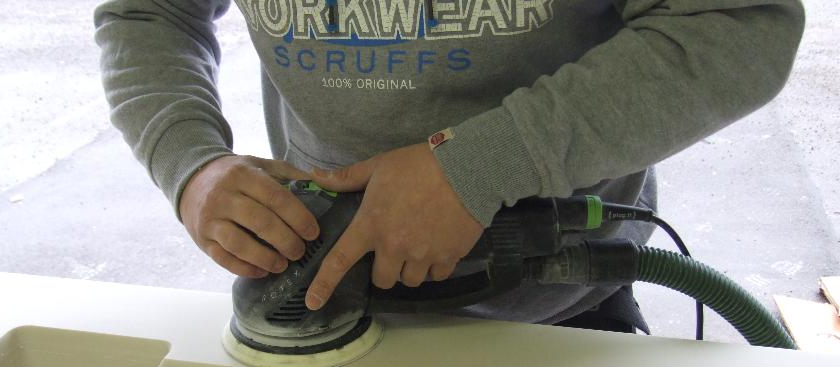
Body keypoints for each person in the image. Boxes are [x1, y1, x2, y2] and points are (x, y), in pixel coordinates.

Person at [94, 0, 804, 333]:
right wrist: (191, 163)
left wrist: (485, 165)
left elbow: (735, 24)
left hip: (559, 307)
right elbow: (149, 13)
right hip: (326, 300)